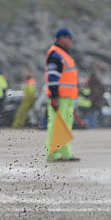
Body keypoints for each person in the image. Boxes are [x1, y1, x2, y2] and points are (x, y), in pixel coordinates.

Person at [45, 28, 79, 162]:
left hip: (67, 97)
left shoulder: (64, 54)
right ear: (60, 38)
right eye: (68, 38)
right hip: (59, 97)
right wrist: (54, 97)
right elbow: (52, 76)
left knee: (65, 127)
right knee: (56, 125)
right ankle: (53, 154)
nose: (71, 41)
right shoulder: (55, 54)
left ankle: (65, 154)